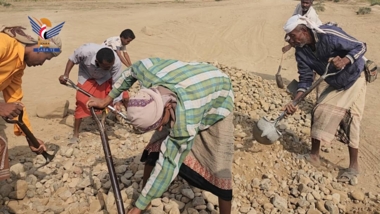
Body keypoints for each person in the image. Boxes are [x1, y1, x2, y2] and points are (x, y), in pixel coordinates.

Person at [87, 58, 235, 214]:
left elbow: (169, 163)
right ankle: (147, 199)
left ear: (168, 106)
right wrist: (106, 100)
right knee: (155, 145)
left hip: (219, 94)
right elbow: (130, 71)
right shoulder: (149, 74)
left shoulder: (186, 119)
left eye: (159, 123)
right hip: (188, 80)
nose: (159, 128)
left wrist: (138, 207)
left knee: (219, 165)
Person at [282, 15, 368, 184]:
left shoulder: (329, 34)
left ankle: (353, 166)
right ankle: (314, 155)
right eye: (289, 37)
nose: (291, 41)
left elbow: (361, 46)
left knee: (352, 118)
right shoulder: (301, 51)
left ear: (304, 31)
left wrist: (344, 60)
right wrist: (295, 102)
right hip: (335, 82)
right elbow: (306, 80)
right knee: (318, 109)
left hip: (354, 77)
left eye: (293, 36)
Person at [0, 26, 62, 180]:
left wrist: (30, 137)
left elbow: (15, 100)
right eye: (46, 58)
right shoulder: (4, 44)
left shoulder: (18, 66)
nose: (42, 63)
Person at [58, 44, 127, 143]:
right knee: (81, 102)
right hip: (86, 75)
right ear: (97, 62)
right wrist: (66, 75)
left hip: (105, 78)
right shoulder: (86, 51)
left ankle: (113, 123)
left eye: (110, 66)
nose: (109, 68)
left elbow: (117, 82)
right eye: (106, 67)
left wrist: (117, 102)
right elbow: (72, 58)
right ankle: (76, 134)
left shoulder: (116, 63)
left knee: (115, 99)